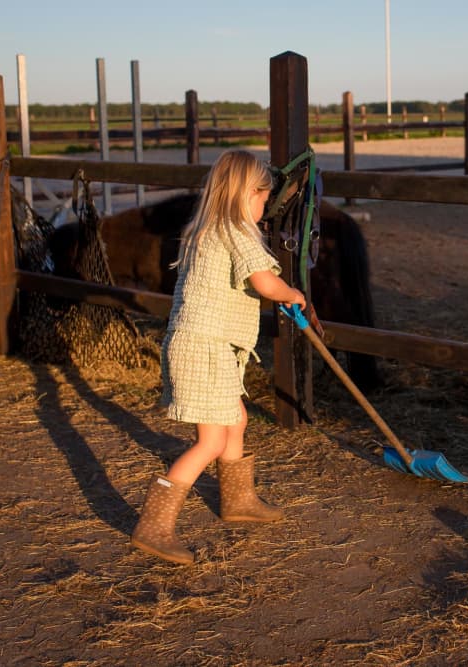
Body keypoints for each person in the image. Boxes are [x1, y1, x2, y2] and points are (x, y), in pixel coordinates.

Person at [131, 149, 306, 565]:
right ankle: (153, 528)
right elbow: (265, 281)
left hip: (207, 344)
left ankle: (239, 499)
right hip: (204, 347)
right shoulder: (235, 230)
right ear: (248, 192)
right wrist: (291, 293)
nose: (265, 206)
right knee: (210, 441)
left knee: (236, 420)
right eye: (263, 197)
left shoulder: (208, 228)